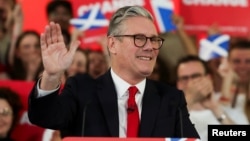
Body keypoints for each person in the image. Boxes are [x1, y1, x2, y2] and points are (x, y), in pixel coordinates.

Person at [28, 5, 200, 139]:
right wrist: (51, 76)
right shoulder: (82, 91)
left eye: (154, 40)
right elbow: (43, 117)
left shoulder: (171, 99)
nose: (150, 47)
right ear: (112, 44)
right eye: (139, 38)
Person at [175, 55, 235, 141]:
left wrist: (215, 108)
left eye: (195, 76)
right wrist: (189, 101)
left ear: (208, 78)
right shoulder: (168, 113)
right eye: (185, 78)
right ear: (179, 84)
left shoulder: (229, 110)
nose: (190, 83)